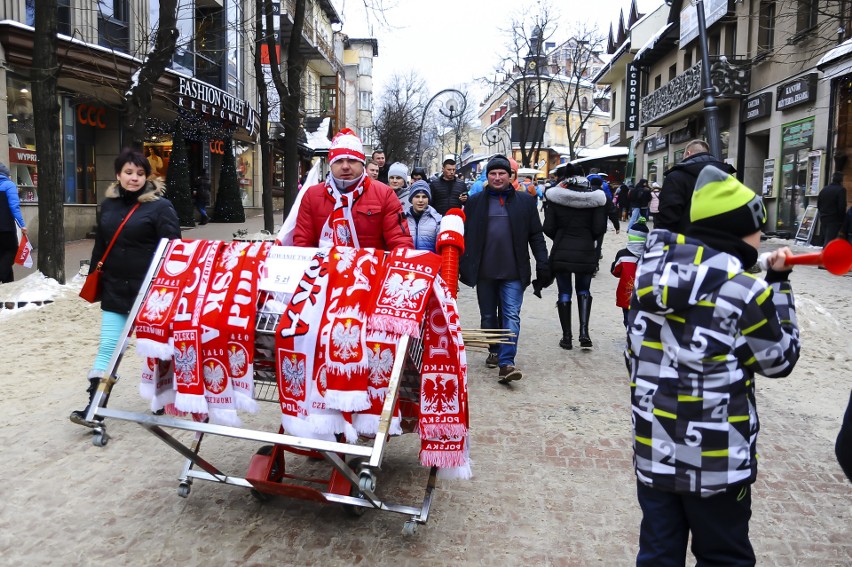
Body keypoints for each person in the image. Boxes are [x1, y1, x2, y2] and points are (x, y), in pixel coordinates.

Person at [628, 165, 800, 566]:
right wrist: (778, 285)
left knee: (657, 553)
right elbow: (779, 360)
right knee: (723, 555)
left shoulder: (647, 280)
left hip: (656, 450)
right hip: (718, 459)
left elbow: (635, 358)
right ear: (739, 231)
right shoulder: (745, 291)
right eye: (759, 228)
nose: (762, 237)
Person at [71, 148, 181, 426]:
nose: (134, 178)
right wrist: (94, 275)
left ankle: (163, 399)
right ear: (118, 174)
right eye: (129, 172)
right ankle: (95, 405)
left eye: (140, 173)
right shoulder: (108, 205)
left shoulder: (160, 207)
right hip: (115, 287)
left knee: (155, 349)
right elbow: (102, 245)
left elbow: (175, 251)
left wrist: (169, 287)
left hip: (152, 292)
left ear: (147, 176)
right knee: (109, 345)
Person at [460, 154, 550, 383]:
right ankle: (494, 348)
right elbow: (465, 237)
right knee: (488, 316)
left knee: (511, 314)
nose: (497, 177)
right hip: (484, 271)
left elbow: (536, 236)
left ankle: (506, 362)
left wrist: (542, 262)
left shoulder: (525, 202)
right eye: (493, 173)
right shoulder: (475, 202)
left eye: (502, 174)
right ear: (487, 177)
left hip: (514, 272)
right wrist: (461, 265)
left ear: (510, 177)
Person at [293, 129, 413, 250]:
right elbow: (302, 244)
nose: (345, 166)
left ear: (362, 164)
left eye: (351, 160)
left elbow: (400, 242)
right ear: (331, 164)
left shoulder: (385, 194)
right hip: (323, 267)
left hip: (372, 267)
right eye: (339, 161)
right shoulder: (312, 195)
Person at [543, 176, 607, 350]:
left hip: (562, 250)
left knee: (564, 292)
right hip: (586, 251)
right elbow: (599, 229)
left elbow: (548, 227)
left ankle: (567, 337)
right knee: (584, 290)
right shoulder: (595, 203)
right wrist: (587, 238)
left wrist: (560, 237)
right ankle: (584, 333)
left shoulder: (556, 202)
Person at [655, 139, 735, 234]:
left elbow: (668, 215)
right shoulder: (727, 175)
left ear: (688, 153)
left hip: (687, 242)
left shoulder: (676, 177)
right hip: (721, 240)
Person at [610, 217, 648, 327]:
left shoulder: (622, 254)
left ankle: (629, 336)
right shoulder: (650, 255)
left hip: (626, 293)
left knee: (627, 318)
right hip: (644, 294)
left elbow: (615, 271)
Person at [0, 162, 27, 283]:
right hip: (6, 228)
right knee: (11, 251)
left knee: (2, 256)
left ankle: (8, 287)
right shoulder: (9, 185)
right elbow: (14, 206)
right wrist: (22, 225)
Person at [589, 176, 620, 269]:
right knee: (598, 246)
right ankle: (595, 266)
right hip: (600, 224)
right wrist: (616, 226)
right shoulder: (604, 196)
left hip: (586, 224)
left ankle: (587, 264)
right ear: (601, 185)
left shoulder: (586, 193)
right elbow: (612, 211)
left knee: (587, 244)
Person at [404, 181, 441, 253]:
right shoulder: (402, 219)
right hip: (407, 263)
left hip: (429, 262)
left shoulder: (437, 221)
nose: (420, 200)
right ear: (411, 199)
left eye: (424, 197)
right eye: (417, 196)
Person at [817, 171, 847, 245]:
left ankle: (827, 254)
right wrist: (842, 220)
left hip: (823, 218)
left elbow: (819, 204)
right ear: (841, 180)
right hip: (834, 219)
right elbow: (842, 207)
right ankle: (825, 255)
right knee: (829, 241)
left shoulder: (824, 189)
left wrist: (822, 213)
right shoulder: (841, 190)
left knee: (827, 239)